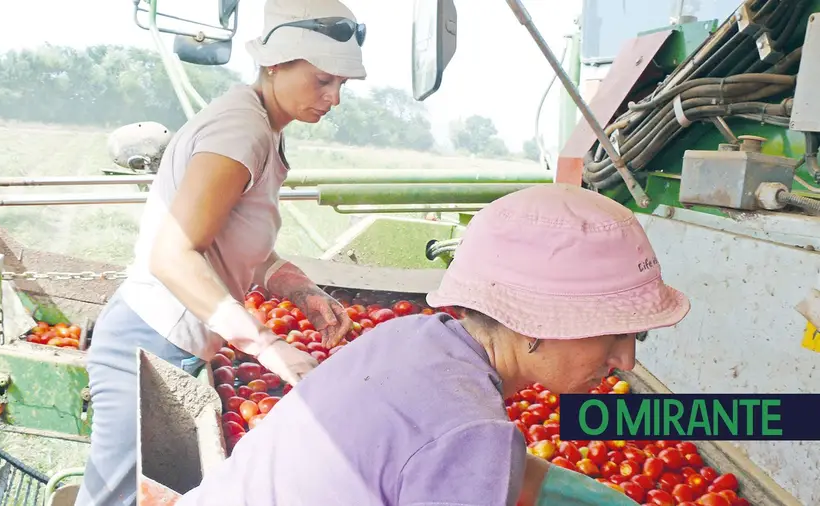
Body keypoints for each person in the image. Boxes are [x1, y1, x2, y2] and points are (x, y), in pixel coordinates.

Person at [176, 183, 692, 506]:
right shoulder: (468, 430)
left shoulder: (411, 338)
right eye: (614, 334)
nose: (625, 360)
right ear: (537, 322)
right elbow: (460, 445)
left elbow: (468, 461)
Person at [73, 1, 367, 504]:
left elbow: (241, 243)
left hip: (170, 340)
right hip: (148, 342)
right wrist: (267, 345)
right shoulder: (240, 132)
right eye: (322, 80)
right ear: (276, 64)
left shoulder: (261, 127)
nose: (334, 98)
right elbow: (173, 255)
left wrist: (301, 290)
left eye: (342, 84)